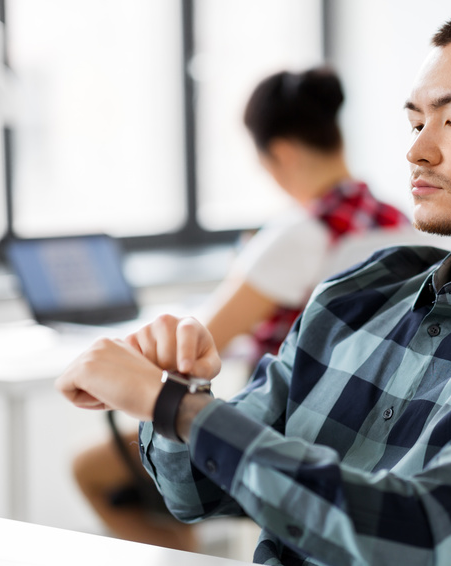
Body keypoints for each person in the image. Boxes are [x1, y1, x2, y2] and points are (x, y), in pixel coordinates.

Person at [56, 9, 451, 566]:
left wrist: (173, 407)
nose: (417, 150)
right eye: (415, 122)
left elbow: (423, 540)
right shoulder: (358, 294)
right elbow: (196, 493)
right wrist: (183, 389)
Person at [70, 66, 418, 552]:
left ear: (281, 153)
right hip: (379, 436)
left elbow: (199, 340)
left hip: (291, 432)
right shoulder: (402, 224)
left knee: (92, 470)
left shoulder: (301, 234)